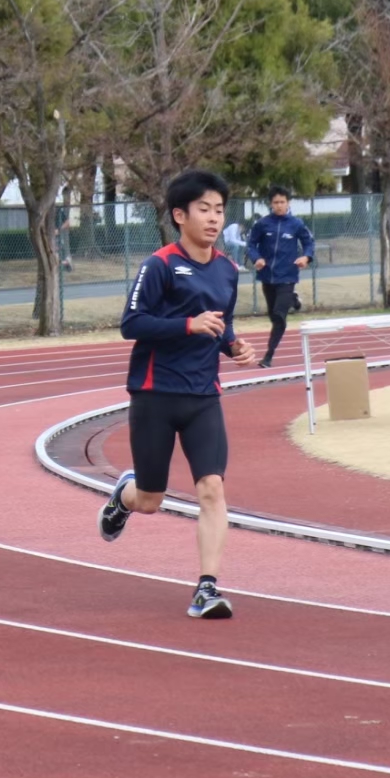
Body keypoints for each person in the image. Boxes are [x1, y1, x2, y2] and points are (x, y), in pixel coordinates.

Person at [96, 170, 256, 619]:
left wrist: (233, 345)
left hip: (203, 397)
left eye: (219, 209)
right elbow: (132, 324)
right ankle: (124, 495)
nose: (214, 218)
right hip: (155, 395)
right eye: (204, 209)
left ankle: (207, 588)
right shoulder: (160, 265)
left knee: (212, 489)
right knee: (151, 500)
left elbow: (221, 324)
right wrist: (187, 324)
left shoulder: (227, 269)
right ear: (180, 215)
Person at [247, 186, 315, 368]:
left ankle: (268, 356)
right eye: (275, 202)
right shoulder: (262, 224)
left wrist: (306, 257)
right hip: (267, 276)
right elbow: (251, 244)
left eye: (282, 202)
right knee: (273, 315)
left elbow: (308, 242)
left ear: (288, 203)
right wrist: (257, 258)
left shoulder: (296, 224)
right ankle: (293, 300)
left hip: (287, 276)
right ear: (271, 204)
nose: (279, 205)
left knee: (279, 315)